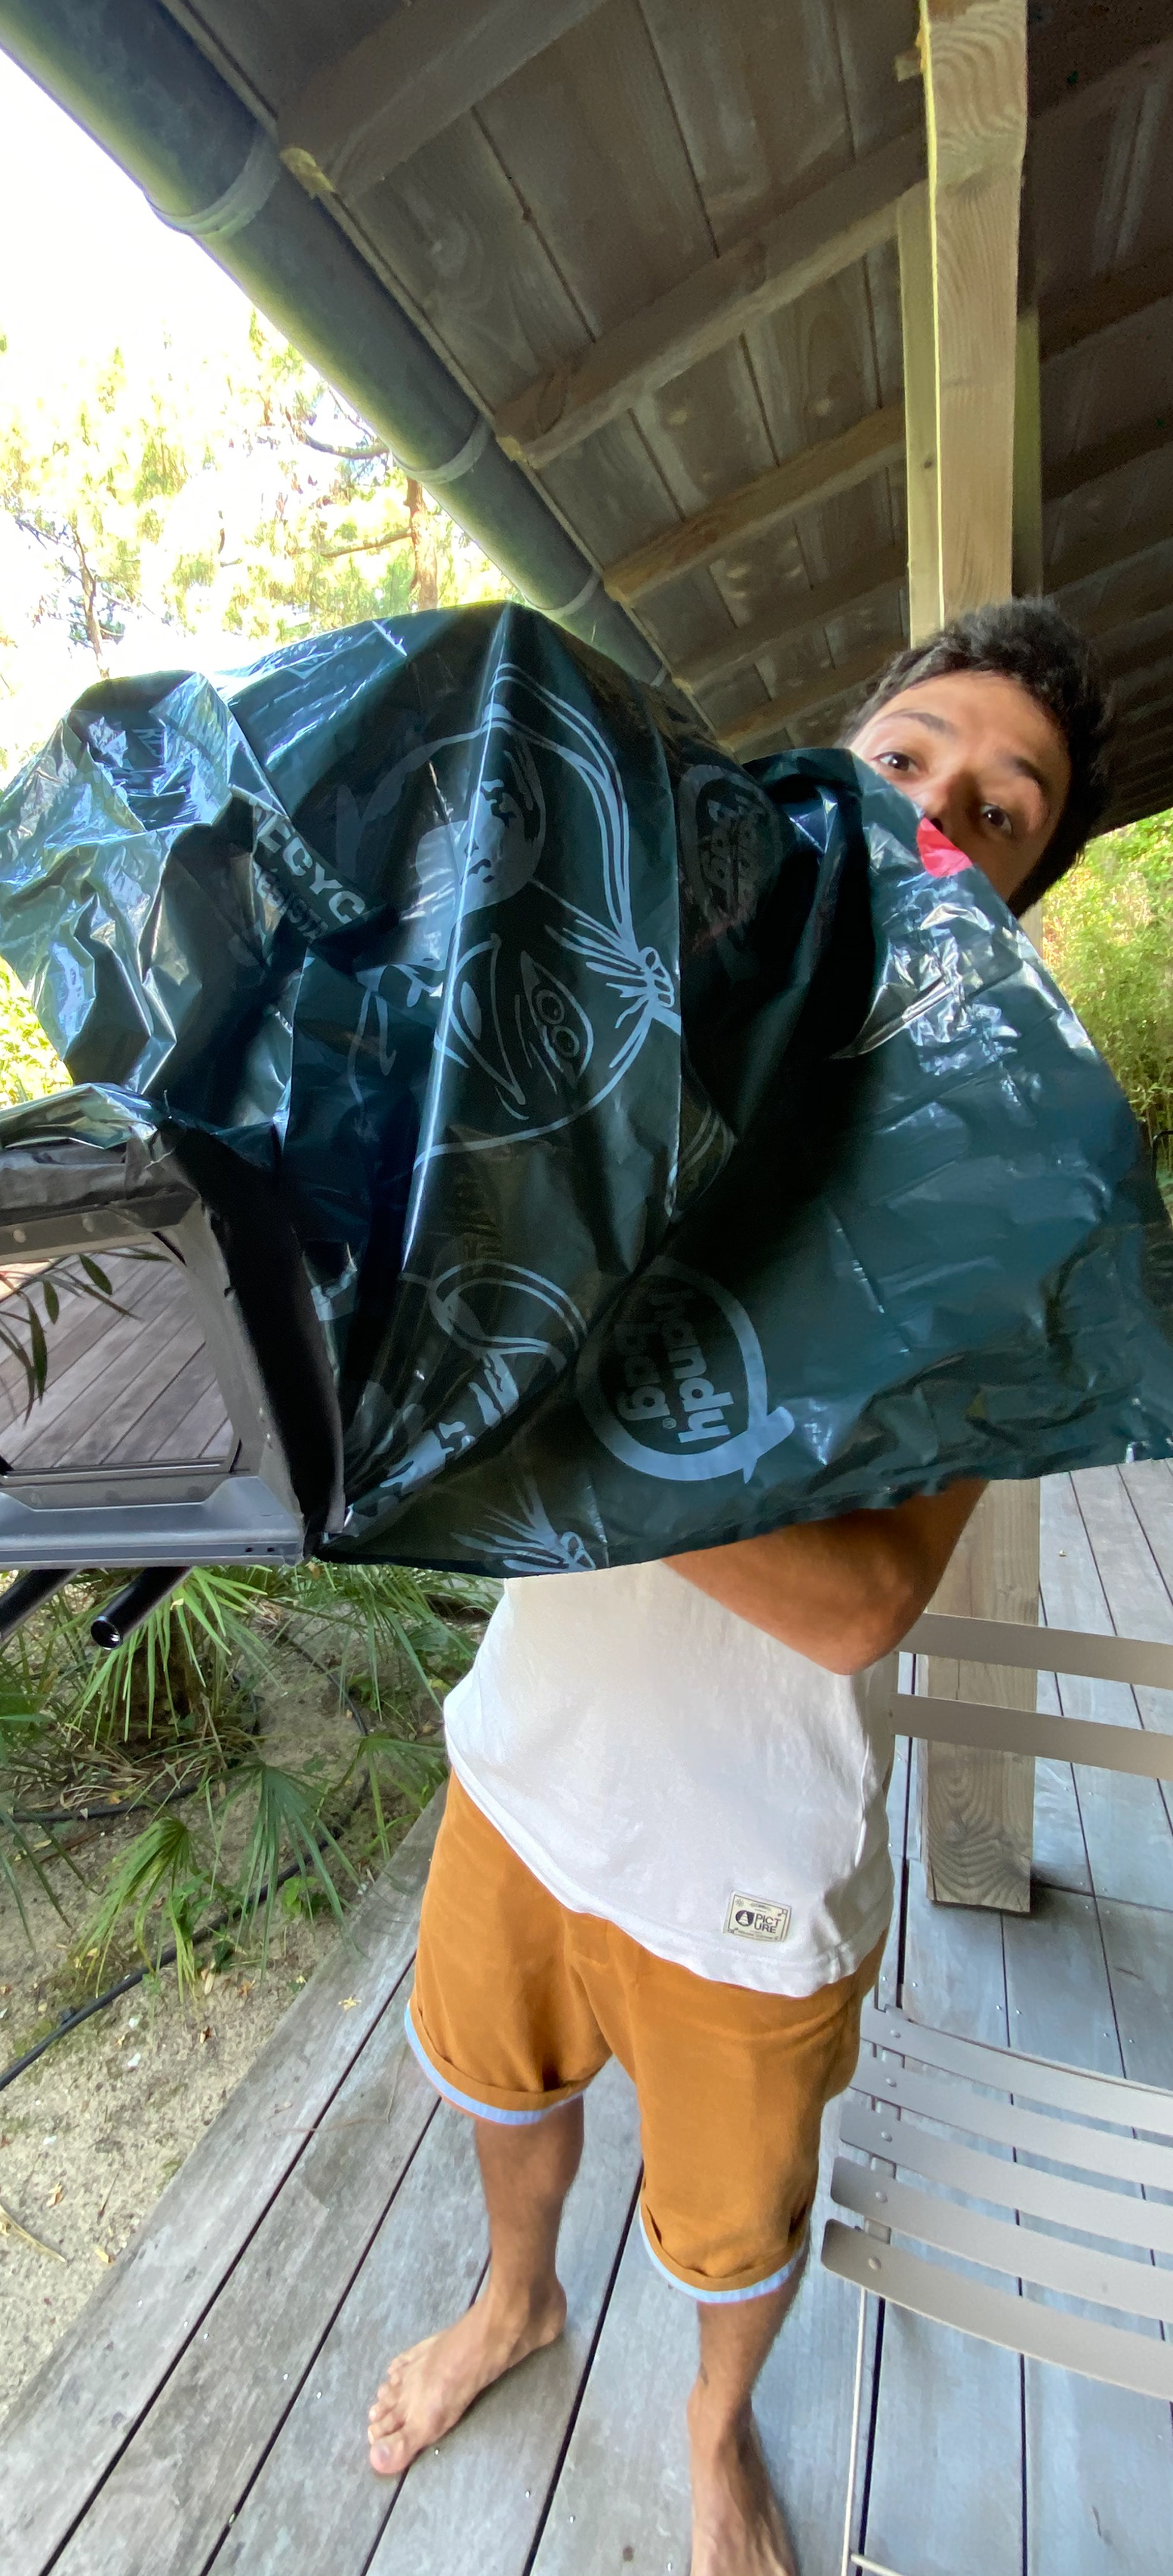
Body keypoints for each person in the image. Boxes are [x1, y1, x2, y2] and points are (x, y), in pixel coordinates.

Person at [364, 599, 1114, 2574]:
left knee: (731, 2222)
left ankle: (713, 2438)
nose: (941, 808)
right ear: (827, 777)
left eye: (1005, 807)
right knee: (498, 2086)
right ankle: (515, 2298)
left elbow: (858, 1603)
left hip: (753, 1858)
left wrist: (529, 1422)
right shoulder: (653, 1034)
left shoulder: (1003, 1198)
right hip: (527, 1761)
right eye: (908, 759)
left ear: (1024, 884)